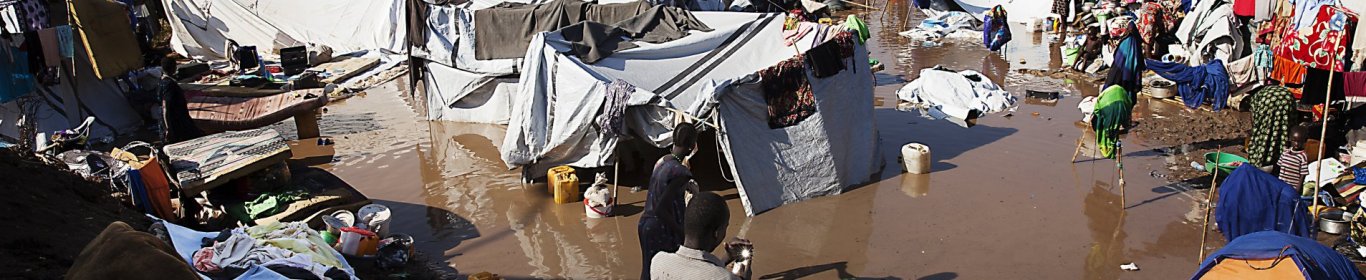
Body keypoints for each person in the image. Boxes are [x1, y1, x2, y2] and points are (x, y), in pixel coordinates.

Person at [638, 122, 701, 279]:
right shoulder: (681, 172)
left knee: (648, 270)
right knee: (668, 273)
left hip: (645, 223)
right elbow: (661, 208)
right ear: (692, 145)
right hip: (661, 227)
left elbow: (662, 188)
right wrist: (681, 232)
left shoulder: (663, 161)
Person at [651, 192, 753, 280]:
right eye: (725, 227)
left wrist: (726, 259)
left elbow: (696, 271)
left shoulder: (658, 261)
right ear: (716, 233)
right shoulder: (725, 278)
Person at [159, 54, 204, 144]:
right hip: (177, 121)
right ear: (173, 68)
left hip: (178, 119)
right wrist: (168, 128)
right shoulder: (169, 85)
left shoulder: (162, 82)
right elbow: (166, 107)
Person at [1279, 123, 1312, 190]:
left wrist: (1298, 189)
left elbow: (1303, 174)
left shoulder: (1302, 156)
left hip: (1293, 187)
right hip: (1281, 184)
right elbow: (1279, 168)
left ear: (1304, 141)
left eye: (1299, 141)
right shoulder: (1285, 153)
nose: (1296, 144)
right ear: (1290, 139)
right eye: (1294, 141)